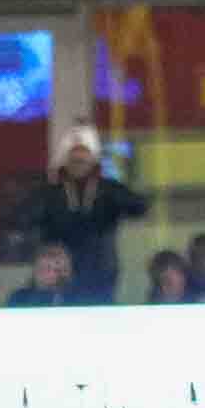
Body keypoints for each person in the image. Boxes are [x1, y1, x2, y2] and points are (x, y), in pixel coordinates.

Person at [29, 127, 148, 304]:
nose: (79, 160)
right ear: (65, 159)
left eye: (84, 155)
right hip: (59, 275)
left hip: (102, 273)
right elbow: (27, 218)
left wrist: (110, 191)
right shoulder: (50, 193)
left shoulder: (108, 189)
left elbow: (140, 207)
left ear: (93, 159)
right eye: (74, 155)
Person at [6, 243, 75, 307]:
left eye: (57, 269)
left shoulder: (76, 299)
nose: (50, 274)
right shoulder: (18, 297)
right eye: (44, 268)